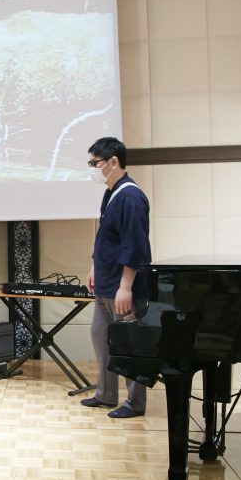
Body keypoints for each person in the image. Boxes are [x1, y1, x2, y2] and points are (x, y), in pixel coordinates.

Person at [81, 137, 152, 418]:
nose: (92, 169)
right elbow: (106, 237)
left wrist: (126, 286)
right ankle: (106, 394)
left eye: (94, 163)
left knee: (129, 344)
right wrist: (94, 266)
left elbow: (135, 245)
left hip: (122, 286)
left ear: (113, 162)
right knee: (101, 337)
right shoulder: (111, 193)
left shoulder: (131, 197)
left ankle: (135, 402)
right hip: (105, 281)